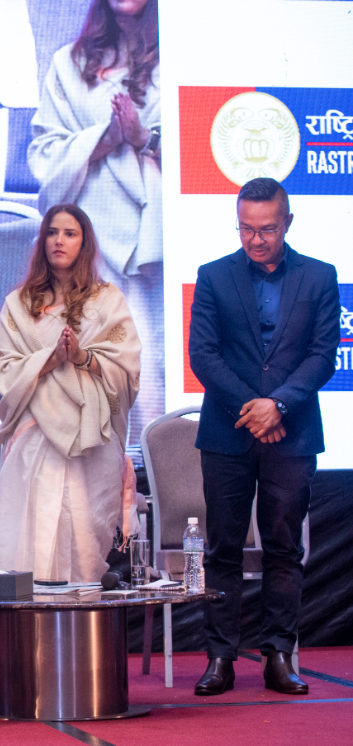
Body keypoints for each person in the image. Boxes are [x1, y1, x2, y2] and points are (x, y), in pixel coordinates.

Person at [0, 204, 141, 662]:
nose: (59, 241)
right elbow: (3, 367)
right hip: (33, 439)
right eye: (52, 232)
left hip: (91, 446)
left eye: (70, 233)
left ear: (85, 243)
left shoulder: (108, 301)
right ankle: (22, 656)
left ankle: (81, 658)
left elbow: (127, 372)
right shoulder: (19, 303)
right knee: (22, 542)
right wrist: (47, 359)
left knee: (82, 540)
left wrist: (82, 357)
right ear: (42, 240)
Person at [189, 177, 339, 697]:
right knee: (222, 549)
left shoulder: (320, 276)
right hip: (227, 433)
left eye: (267, 230)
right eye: (246, 229)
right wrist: (252, 408)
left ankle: (278, 655)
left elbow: (323, 355)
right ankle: (220, 658)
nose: (255, 239)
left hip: (292, 434)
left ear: (288, 223)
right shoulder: (213, 275)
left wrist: (278, 405)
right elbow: (203, 354)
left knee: (283, 548)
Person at [28, 0, 161, 442]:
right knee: (83, 374)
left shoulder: (183, 57)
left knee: (151, 370)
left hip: (155, 247)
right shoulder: (69, 64)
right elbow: (44, 155)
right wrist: (102, 140)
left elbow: (203, 147)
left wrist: (142, 137)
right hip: (89, 244)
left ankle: (152, 472)